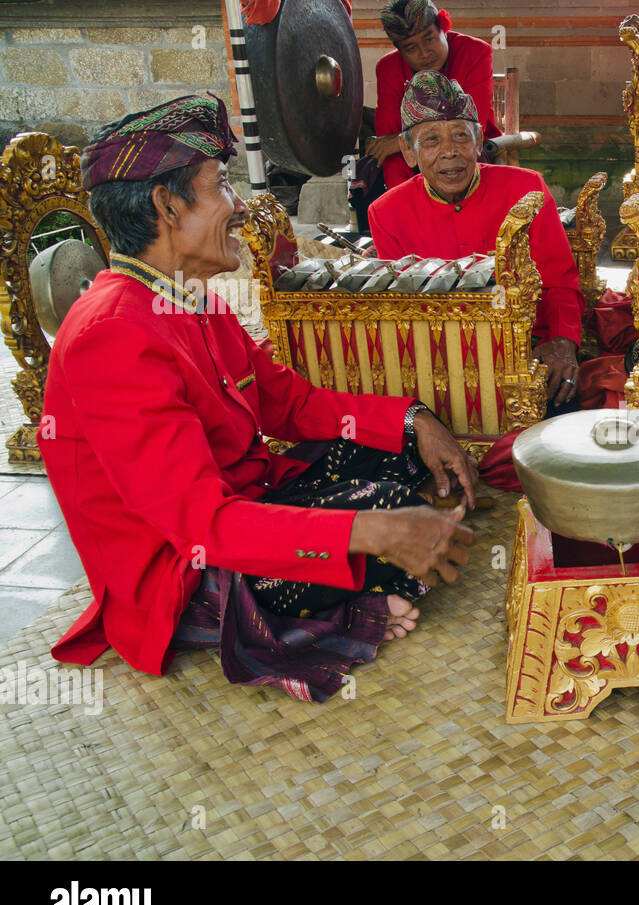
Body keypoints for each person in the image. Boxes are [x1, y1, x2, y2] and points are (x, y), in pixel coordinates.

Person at [40, 94, 479, 702]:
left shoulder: (195, 298)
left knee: (398, 466)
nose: (239, 206)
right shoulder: (110, 334)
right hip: (187, 564)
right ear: (168, 205)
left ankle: (354, 589)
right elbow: (204, 525)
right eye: (220, 185)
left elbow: (289, 406)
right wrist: (372, 531)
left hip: (250, 498)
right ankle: (294, 613)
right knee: (381, 521)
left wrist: (414, 419)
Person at [368, 72, 583, 409]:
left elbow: (560, 281)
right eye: (431, 141)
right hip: (440, 361)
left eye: (460, 136)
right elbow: (404, 311)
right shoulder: (386, 212)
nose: (449, 152)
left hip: (530, 350)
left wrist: (562, 340)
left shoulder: (527, 189)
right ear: (408, 153)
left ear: (479, 141)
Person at [369, 0, 502, 191]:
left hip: (471, 151)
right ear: (400, 51)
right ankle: (404, 209)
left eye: (429, 39)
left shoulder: (475, 52)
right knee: (392, 158)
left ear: (443, 28)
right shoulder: (388, 68)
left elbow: (469, 124)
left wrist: (398, 141)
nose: (424, 53)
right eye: (411, 48)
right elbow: (386, 138)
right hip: (415, 159)